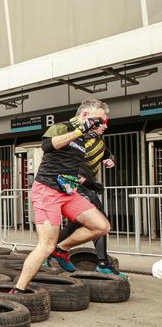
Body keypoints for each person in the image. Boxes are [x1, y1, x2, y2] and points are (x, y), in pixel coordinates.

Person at [13, 98, 112, 293]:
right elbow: (48, 146)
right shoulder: (62, 127)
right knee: (46, 245)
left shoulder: (86, 139)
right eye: (99, 120)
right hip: (47, 190)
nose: (102, 125)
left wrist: (104, 164)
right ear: (84, 115)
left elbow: (73, 166)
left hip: (68, 191)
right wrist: (78, 131)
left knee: (102, 226)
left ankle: (62, 249)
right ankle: (18, 289)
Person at [49, 103, 125, 277]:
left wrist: (110, 160)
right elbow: (65, 162)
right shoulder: (78, 138)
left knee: (76, 224)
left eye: (106, 122)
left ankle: (51, 250)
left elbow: (107, 154)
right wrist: (88, 183)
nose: (105, 126)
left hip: (85, 185)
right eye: (102, 122)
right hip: (73, 186)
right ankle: (102, 262)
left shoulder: (99, 142)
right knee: (100, 219)